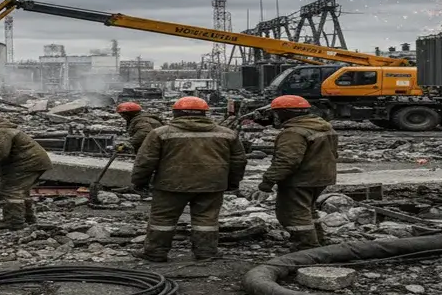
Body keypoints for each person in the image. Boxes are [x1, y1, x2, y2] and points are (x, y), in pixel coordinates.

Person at [131, 96, 245, 262]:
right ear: (205, 114)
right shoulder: (226, 134)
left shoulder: (160, 134)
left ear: (175, 113)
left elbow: (145, 161)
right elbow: (239, 161)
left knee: (163, 220)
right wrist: (232, 182)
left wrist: (139, 182)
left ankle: (155, 252)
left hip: (170, 185)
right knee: (206, 220)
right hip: (211, 185)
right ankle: (206, 252)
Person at [251, 95, 339, 251]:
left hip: (300, 179)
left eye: (276, 113)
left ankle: (306, 248)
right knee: (307, 210)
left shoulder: (293, 133)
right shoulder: (323, 126)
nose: (274, 116)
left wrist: (267, 183)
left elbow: (286, 161)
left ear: (285, 113)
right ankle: (319, 241)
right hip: (322, 177)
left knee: (292, 214)